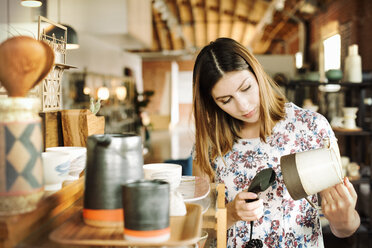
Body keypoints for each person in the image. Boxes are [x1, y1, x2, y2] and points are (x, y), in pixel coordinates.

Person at [191, 37, 360, 247]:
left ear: (258, 74)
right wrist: (231, 213)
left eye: (246, 88)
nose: (243, 106)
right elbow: (199, 227)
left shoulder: (310, 127)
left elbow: (345, 228)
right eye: (226, 100)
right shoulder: (208, 143)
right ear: (211, 102)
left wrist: (343, 217)